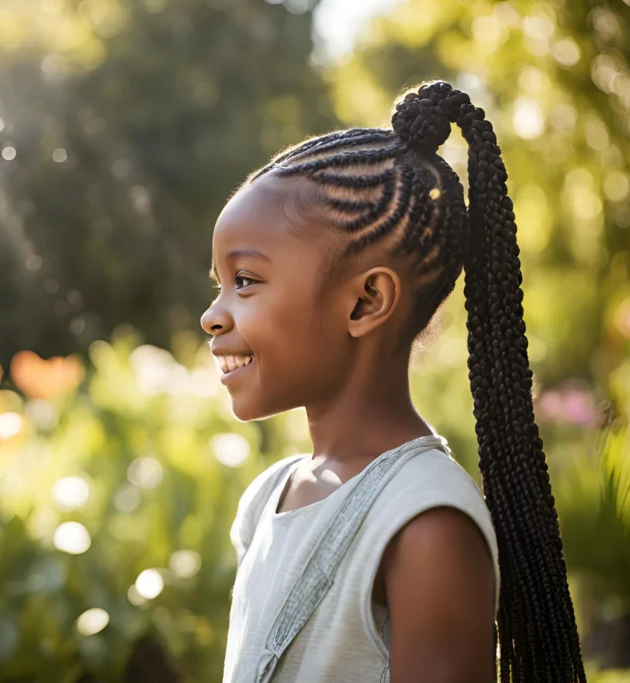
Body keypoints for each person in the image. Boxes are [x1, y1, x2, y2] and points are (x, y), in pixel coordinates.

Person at [201, 81, 585, 683]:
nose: (213, 314)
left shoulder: (424, 523)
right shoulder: (268, 498)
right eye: (219, 282)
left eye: (245, 280)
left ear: (366, 302)